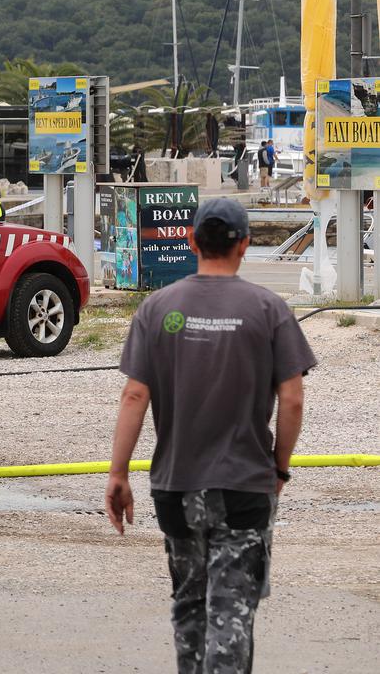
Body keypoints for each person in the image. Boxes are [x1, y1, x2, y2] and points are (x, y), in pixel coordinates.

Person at [104, 198, 315, 673]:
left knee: (189, 606)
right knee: (231, 613)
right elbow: (294, 398)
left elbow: (134, 397)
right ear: (244, 244)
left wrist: (118, 473)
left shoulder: (157, 307)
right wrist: (279, 467)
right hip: (245, 487)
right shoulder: (269, 309)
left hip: (176, 488)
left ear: (191, 241)